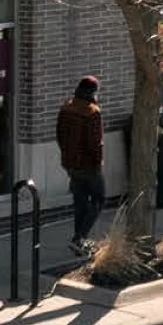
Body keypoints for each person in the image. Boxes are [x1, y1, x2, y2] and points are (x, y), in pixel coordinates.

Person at [55, 76, 105, 256]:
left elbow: (59, 135)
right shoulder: (92, 112)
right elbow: (95, 143)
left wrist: (67, 156)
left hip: (70, 164)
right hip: (88, 165)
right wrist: (98, 162)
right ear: (93, 92)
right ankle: (80, 238)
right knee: (98, 200)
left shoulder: (66, 108)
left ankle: (79, 239)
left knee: (80, 203)